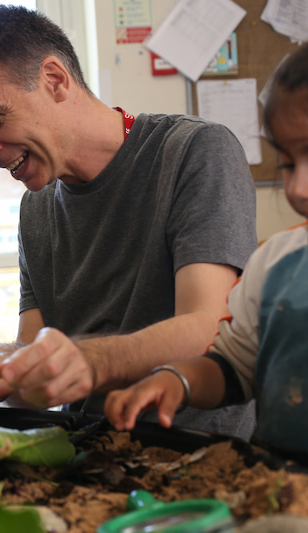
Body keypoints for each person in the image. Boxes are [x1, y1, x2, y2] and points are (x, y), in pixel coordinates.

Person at [0, 4, 257, 438]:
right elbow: (35, 360)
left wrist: (89, 360)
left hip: (193, 454)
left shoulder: (194, 152)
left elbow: (209, 327)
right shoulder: (37, 208)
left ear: (54, 80)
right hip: (84, 454)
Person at [105, 44, 308, 457]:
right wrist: (176, 379)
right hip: (281, 493)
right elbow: (232, 368)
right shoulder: (275, 265)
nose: (298, 188)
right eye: (287, 164)